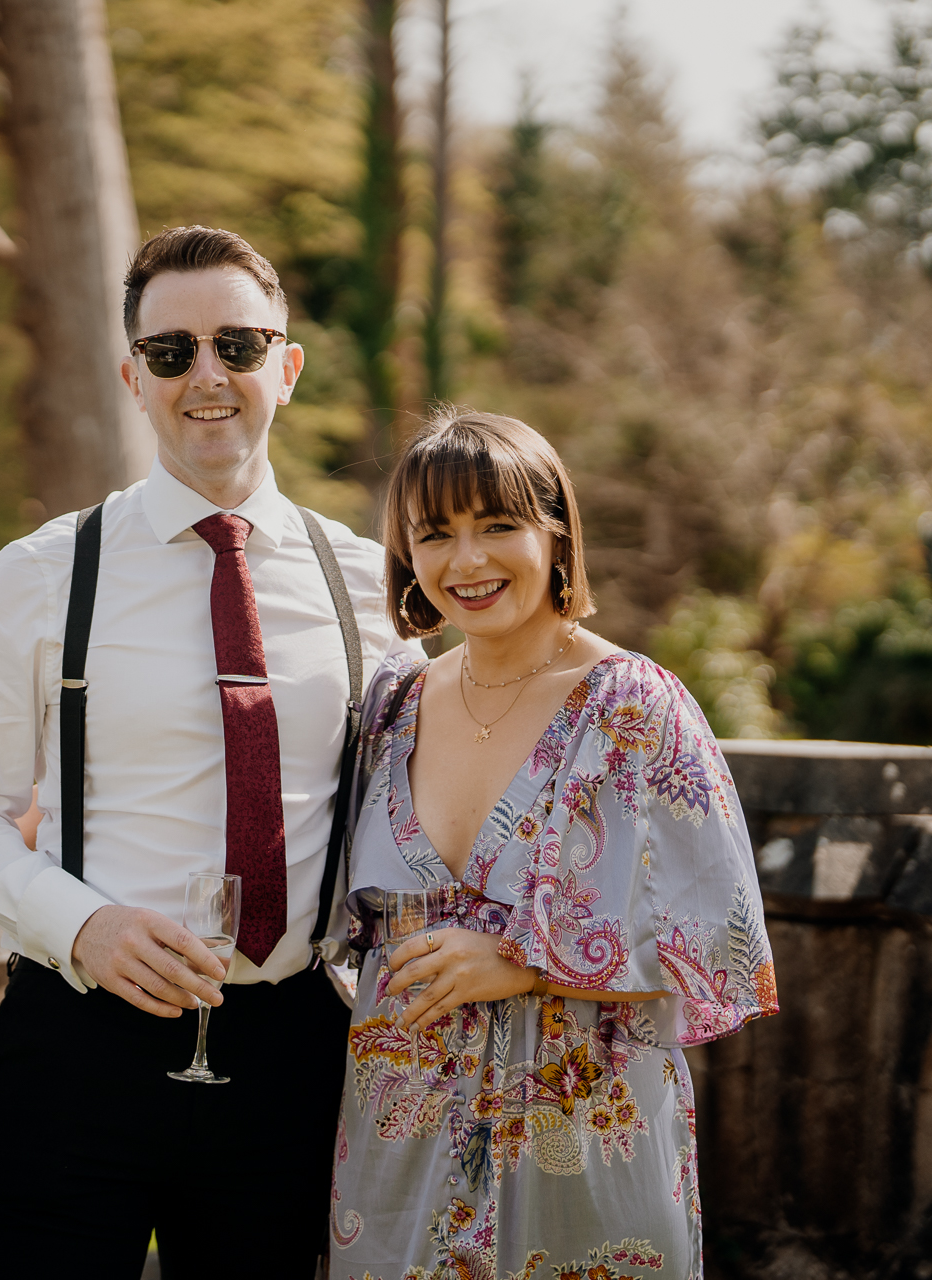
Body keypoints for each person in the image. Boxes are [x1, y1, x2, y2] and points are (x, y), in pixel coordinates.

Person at [0, 225, 416, 1276]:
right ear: (130, 375)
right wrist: (84, 925)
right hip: (78, 1044)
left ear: (286, 365)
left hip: (289, 1051)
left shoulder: (370, 586)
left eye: (238, 345)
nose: (207, 376)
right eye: (171, 350)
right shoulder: (43, 571)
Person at [328, 409, 779, 1278]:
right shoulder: (391, 706)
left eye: (498, 526)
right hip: (396, 1154)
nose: (467, 561)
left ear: (557, 533)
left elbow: (724, 944)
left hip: (582, 1142)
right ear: (407, 556)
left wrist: (528, 961)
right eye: (436, 534)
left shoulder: (632, 706)